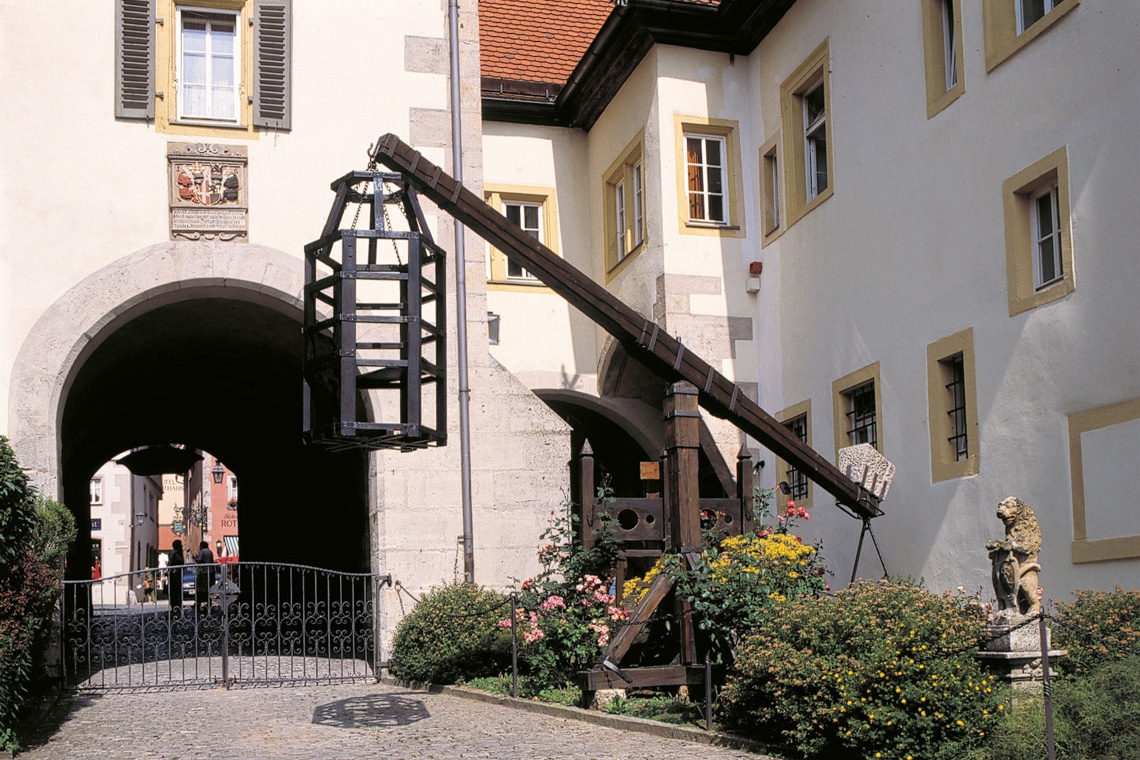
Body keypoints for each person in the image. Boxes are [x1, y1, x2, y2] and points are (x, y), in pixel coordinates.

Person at [194, 541, 215, 613]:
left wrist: (195, 558)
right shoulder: (210, 552)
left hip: (204, 573)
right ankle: (209, 603)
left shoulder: (202, 551)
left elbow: (200, 560)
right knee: (210, 588)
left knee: (202, 589)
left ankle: (199, 603)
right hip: (211, 572)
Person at [168, 540, 184, 611]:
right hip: (175, 574)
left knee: (175, 591)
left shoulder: (176, 553)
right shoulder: (176, 553)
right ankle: (176, 606)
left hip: (176, 574)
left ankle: (176, 606)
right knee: (175, 591)